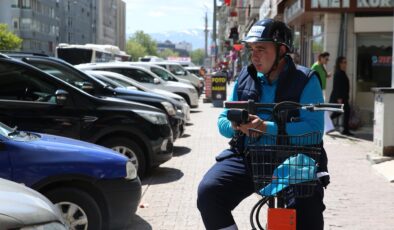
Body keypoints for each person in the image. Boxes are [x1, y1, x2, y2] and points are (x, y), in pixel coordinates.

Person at [197, 19, 328, 230]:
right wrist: (238, 126)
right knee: (209, 193)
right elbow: (223, 120)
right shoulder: (245, 78)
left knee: (308, 212)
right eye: (251, 49)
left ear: (282, 50)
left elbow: (314, 131)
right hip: (250, 157)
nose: (254, 55)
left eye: (261, 48)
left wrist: (267, 127)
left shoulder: (306, 79)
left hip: (294, 161)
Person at [329, 56, 353, 136]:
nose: (345, 64)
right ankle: (345, 130)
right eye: (343, 62)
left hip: (344, 97)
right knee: (343, 111)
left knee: (342, 112)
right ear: (339, 63)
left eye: (345, 62)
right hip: (340, 98)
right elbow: (337, 86)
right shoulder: (338, 73)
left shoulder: (342, 72)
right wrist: (339, 98)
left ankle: (344, 129)